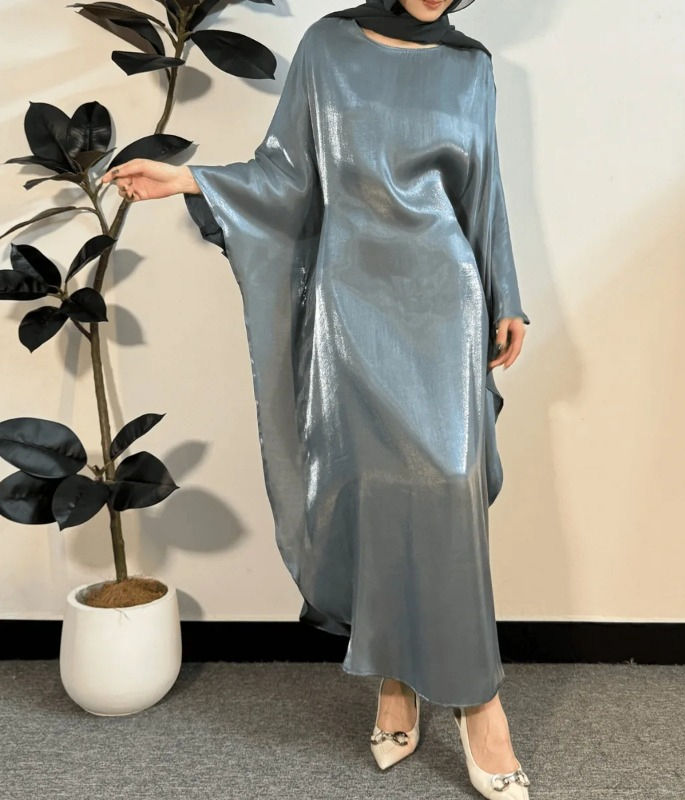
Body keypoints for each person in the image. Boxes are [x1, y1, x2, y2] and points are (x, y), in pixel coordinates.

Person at [100, 1, 532, 797]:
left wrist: (506, 293)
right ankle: (393, 675)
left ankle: (480, 699)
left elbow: (487, 192)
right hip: (352, 300)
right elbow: (285, 174)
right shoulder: (328, 46)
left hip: (444, 297)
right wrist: (189, 177)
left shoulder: (470, 65)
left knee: (448, 484)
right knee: (375, 486)